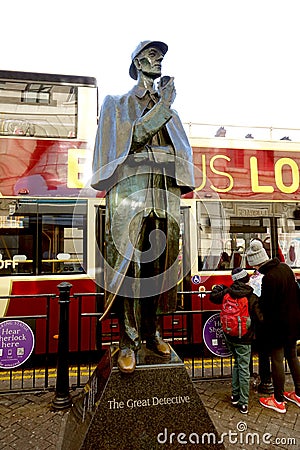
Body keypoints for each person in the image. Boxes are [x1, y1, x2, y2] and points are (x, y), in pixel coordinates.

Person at [91, 40, 194, 373]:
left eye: (161, 57)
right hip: (131, 188)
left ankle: (152, 333)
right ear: (136, 62)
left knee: (160, 267)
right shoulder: (117, 103)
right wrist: (163, 107)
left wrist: (167, 112)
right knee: (131, 267)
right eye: (151, 56)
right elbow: (131, 138)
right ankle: (128, 340)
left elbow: (183, 154)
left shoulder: (171, 112)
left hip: (163, 190)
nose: (158, 61)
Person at [246, 239, 300, 413]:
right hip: (293, 322)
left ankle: (278, 400)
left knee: (277, 359)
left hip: (277, 326)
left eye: (254, 267)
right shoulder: (285, 268)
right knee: (292, 356)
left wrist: (254, 300)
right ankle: (298, 394)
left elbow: (267, 307)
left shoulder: (268, 278)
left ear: (257, 263)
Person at [210, 267, 263, 414]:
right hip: (244, 338)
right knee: (244, 368)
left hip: (229, 335)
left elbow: (213, 297)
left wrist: (220, 287)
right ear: (245, 279)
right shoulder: (250, 295)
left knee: (237, 364)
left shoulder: (227, 292)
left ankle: (234, 395)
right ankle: (243, 402)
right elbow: (260, 317)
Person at [248, 269, 274, 394]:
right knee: (265, 354)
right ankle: (266, 381)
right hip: (265, 326)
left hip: (254, 327)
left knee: (250, 353)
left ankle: (255, 379)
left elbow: (254, 306)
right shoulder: (268, 283)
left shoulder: (252, 286)